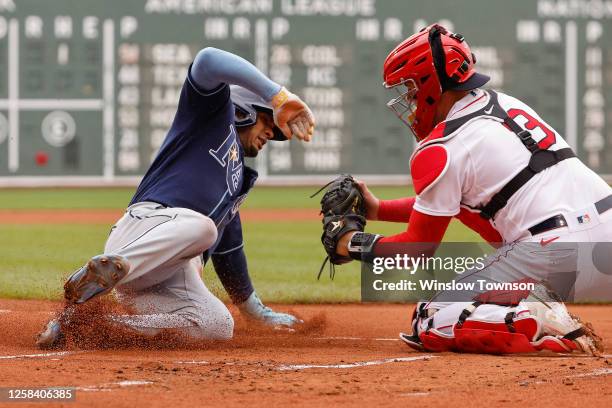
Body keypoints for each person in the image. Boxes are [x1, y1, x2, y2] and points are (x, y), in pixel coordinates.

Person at [322, 24, 611, 355]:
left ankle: (534, 315)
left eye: (412, 91)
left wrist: (352, 244)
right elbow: (458, 199)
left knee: (429, 318)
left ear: (430, 83)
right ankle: (535, 307)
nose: (411, 102)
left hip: (553, 254)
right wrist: (379, 210)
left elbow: (416, 249)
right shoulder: (506, 104)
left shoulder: (440, 147)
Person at [36, 47, 315, 348]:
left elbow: (229, 252)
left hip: (158, 279)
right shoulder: (208, 117)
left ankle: (83, 328)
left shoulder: (234, 181)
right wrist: (278, 96)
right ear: (243, 110)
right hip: (143, 230)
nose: (271, 135)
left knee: (218, 325)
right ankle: (112, 267)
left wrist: (256, 313)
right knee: (205, 228)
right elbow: (208, 59)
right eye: (268, 123)